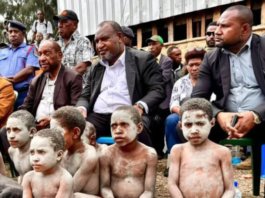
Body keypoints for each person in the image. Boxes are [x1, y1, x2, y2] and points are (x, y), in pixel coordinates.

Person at [192, 5, 265, 170]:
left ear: (245, 29)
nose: (217, 31)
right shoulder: (211, 58)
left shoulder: (263, 48)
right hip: (226, 120)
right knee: (190, 123)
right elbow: (197, 98)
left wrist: (255, 114)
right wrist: (218, 115)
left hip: (262, 118)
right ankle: (205, 180)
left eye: (224, 26)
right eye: (218, 25)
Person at [76, 21, 165, 147]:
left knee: (135, 128)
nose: (99, 45)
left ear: (119, 38)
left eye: (104, 39)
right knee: (76, 130)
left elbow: (158, 89)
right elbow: (85, 95)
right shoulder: (97, 68)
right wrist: (81, 109)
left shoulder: (143, 60)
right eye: (97, 41)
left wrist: (139, 106)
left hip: (129, 113)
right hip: (98, 116)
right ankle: (86, 166)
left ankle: (140, 165)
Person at [168, 98, 235, 198]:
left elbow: (230, 189)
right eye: (188, 124)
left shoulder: (222, 152)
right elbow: (172, 184)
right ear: (181, 126)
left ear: (212, 123)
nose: (194, 130)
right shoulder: (178, 151)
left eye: (200, 123)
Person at [19, 40, 83, 130]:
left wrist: (54, 120)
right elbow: (26, 107)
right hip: (36, 127)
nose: (41, 58)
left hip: (61, 127)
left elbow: (75, 110)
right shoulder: (36, 81)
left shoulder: (73, 78)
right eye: (40, 54)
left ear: (59, 56)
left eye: (47, 53)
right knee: (4, 132)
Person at [164, 48, 206, 176]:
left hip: (205, 116)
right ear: (186, 66)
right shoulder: (180, 82)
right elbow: (173, 104)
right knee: (171, 120)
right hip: (183, 114)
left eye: (198, 64)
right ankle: (172, 162)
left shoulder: (210, 80)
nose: (194, 68)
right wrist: (185, 114)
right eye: (191, 65)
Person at [100, 106, 157, 198]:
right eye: (114, 125)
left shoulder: (149, 154)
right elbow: (105, 188)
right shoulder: (107, 153)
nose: (118, 131)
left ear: (139, 128)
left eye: (124, 124)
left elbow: (149, 192)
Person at [50, 106, 99, 196]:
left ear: (76, 133)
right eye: (52, 133)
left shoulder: (88, 156)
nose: (54, 138)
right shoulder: (62, 150)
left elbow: (70, 190)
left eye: (58, 133)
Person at [22, 128, 74, 198]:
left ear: (58, 155)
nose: (35, 158)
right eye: (32, 152)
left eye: (41, 152)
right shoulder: (28, 178)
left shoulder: (64, 178)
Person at [0, 20, 39, 110]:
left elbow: (30, 69)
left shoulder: (31, 49)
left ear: (23, 34)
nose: (13, 34)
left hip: (23, 95)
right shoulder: (2, 51)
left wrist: (10, 80)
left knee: (22, 121)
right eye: (10, 32)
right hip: (3, 94)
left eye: (16, 31)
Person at [146, 35, 173, 157]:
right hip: (150, 99)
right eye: (149, 44)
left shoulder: (166, 61)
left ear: (162, 46)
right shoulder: (145, 60)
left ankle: (161, 151)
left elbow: (164, 78)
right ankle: (154, 151)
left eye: (154, 44)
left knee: (162, 125)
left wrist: (149, 80)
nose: (151, 47)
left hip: (163, 100)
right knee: (152, 125)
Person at [53, 10, 94, 75]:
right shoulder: (56, 43)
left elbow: (81, 67)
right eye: (59, 22)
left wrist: (62, 80)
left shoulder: (83, 41)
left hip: (78, 84)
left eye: (64, 22)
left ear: (74, 25)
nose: (59, 25)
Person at [6, 110, 37, 184]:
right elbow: (21, 175)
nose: (11, 136)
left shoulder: (37, 154)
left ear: (32, 132)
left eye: (16, 130)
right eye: (8, 130)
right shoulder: (12, 151)